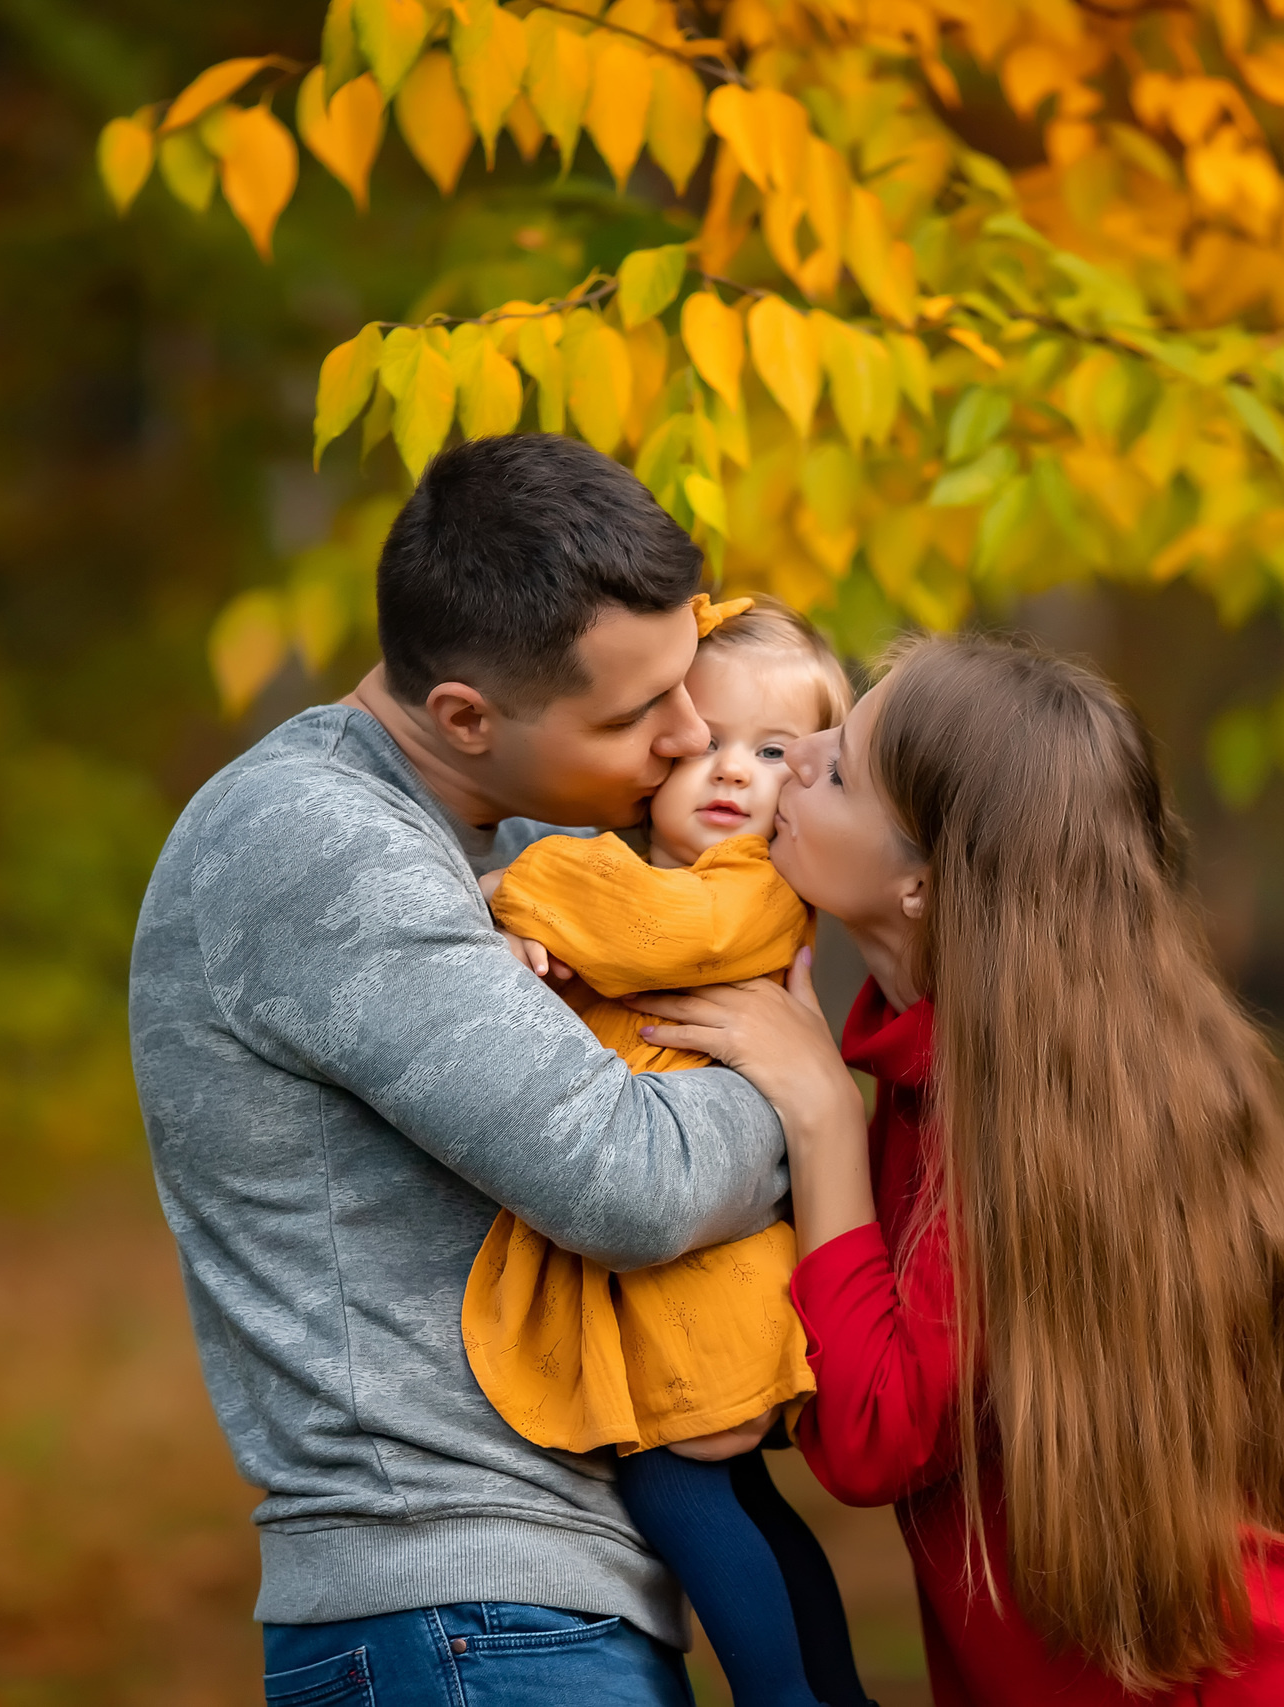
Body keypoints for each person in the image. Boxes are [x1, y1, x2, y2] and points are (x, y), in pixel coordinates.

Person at [629, 633, 1284, 1705]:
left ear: (923, 883)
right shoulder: (996, 1060)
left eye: (837, 767)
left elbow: (880, 1432)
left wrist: (821, 1113)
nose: (795, 757)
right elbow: (908, 1370)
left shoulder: (1020, 1115)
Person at [128, 434, 789, 1707]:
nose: (692, 732)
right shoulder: (316, 845)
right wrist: (799, 1075)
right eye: (635, 711)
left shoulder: (511, 832)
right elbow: (631, 1179)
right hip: (459, 1612)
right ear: (464, 716)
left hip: (528, 1610)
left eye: (685, 677)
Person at [465, 592, 869, 1707]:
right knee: (727, 1496)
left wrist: (504, 895)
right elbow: (621, 928)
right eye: (709, 741)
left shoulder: (745, 891)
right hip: (688, 1264)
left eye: (776, 751)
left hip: (704, 1274)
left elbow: (644, 933)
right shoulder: (657, 879)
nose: (734, 771)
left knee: (684, 1489)